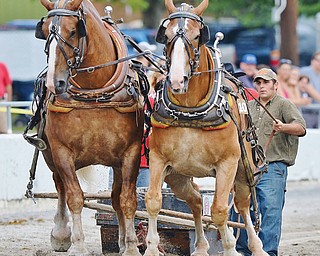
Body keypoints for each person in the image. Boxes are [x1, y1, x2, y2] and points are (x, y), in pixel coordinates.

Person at [230, 68, 306, 256]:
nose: (262, 86)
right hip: (247, 168)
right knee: (240, 208)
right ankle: (243, 250)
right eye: (258, 83)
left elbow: (301, 128)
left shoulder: (284, 105)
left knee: (270, 210)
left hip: (272, 165)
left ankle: (267, 251)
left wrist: (284, 127)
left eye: (266, 82)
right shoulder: (247, 105)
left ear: (275, 85)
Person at [0, 62, 13, 134]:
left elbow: (8, 85)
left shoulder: (2, 66)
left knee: (3, 131)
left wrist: (9, 103)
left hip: (2, 102)